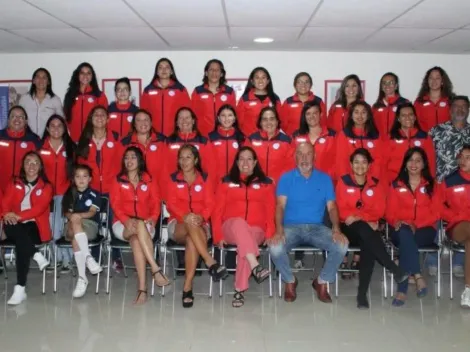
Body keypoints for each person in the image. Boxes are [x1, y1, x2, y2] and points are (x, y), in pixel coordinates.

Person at [269, 142, 349, 303]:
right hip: (291, 227)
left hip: (317, 228)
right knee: (275, 247)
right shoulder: (286, 178)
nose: (304, 158)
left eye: (308, 154)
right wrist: (279, 230)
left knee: (342, 245)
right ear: (295, 157)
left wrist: (336, 228)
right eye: (300, 154)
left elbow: (332, 207)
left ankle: (321, 282)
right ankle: (290, 280)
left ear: (315, 156)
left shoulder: (325, 179)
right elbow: (280, 206)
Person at [336, 148, 408, 309]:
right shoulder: (343, 181)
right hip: (348, 230)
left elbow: (379, 209)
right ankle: (392, 268)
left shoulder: (376, 184)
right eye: (356, 162)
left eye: (363, 162)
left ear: (369, 165)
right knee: (366, 232)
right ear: (351, 164)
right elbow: (341, 209)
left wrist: (360, 217)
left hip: (367, 229)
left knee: (368, 243)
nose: (360, 165)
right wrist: (362, 218)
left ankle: (362, 295)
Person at [166, 144, 227, 307]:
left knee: (192, 239)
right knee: (189, 224)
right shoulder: (172, 178)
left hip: (201, 225)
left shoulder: (205, 178)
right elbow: (170, 204)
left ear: (196, 160)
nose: (184, 161)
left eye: (188, 157)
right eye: (181, 157)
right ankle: (209, 261)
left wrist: (201, 217)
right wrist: (184, 216)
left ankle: (187, 286)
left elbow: (210, 203)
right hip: (177, 224)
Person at [212, 146, 274, 307]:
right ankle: (255, 266)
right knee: (239, 223)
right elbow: (216, 211)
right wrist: (217, 235)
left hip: (256, 229)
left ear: (255, 163)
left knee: (246, 243)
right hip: (229, 228)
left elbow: (270, 210)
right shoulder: (226, 182)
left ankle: (239, 290)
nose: (245, 162)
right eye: (241, 159)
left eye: (249, 159)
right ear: (236, 162)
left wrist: (269, 233)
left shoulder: (266, 183)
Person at [110, 147, 170, 304]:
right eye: (126, 158)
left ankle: (142, 290)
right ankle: (156, 269)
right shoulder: (118, 180)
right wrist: (125, 220)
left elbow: (156, 203)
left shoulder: (149, 179)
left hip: (145, 222)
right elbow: (115, 205)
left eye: (133, 157)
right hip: (122, 224)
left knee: (137, 239)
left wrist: (153, 219)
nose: (129, 161)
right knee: (138, 227)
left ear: (139, 160)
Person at [386, 147, 440, 306]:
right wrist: (398, 221)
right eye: (410, 160)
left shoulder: (432, 185)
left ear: (424, 164)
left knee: (406, 241)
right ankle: (417, 275)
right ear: (405, 163)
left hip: (425, 230)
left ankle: (402, 290)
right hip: (400, 229)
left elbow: (436, 213)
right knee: (404, 233)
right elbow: (389, 212)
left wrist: (416, 224)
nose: (414, 164)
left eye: (418, 160)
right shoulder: (396, 185)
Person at [2, 151, 52, 305]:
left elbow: (39, 209)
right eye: (28, 162)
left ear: (40, 167)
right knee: (17, 232)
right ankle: (36, 255)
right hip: (13, 224)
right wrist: (6, 213)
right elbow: (5, 202)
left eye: (35, 162)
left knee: (22, 239)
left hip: (35, 226)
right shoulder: (14, 182)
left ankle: (20, 289)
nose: (31, 165)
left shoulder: (46, 186)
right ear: (23, 166)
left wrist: (18, 216)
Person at [429, 95, 470, 276]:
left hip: (465, 190)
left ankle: (459, 263)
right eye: (456, 106)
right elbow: (427, 157)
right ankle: (432, 260)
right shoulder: (437, 131)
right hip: (441, 185)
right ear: (450, 109)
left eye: (464, 107)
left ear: (468, 110)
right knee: (433, 217)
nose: (460, 110)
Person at [39, 115, 76, 274]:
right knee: (50, 228)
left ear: (64, 129)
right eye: (52, 125)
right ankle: (59, 259)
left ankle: (65, 260)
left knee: (59, 228)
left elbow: (76, 173)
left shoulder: (71, 148)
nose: (55, 128)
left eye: (59, 125)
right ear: (47, 128)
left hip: (64, 194)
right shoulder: (40, 147)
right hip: (45, 194)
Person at [61, 164, 103, 298]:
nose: (81, 179)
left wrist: (78, 216)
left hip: (89, 225)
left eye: (85, 176)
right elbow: (67, 213)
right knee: (74, 223)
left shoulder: (95, 194)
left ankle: (82, 277)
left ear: (90, 179)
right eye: (78, 176)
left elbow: (91, 213)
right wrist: (73, 217)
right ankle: (88, 257)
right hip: (71, 226)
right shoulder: (68, 194)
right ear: (73, 179)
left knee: (75, 237)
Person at [440, 144, 470, 308]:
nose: (463, 160)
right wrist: (456, 216)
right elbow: (438, 206)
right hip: (456, 226)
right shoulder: (450, 180)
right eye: (461, 157)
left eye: (468, 157)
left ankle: (468, 290)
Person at [384, 102, 436, 184]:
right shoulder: (390, 137)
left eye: (410, 114)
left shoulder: (424, 137)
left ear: (415, 117)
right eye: (403, 115)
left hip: (419, 182)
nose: (407, 117)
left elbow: (431, 162)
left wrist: (430, 181)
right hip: (394, 182)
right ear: (398, 118)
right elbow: (383, 163)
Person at [141, 58, 191, 136]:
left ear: (171, 71)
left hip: (175, 135)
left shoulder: (180, 89)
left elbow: (187, 113)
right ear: (157, 72)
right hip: (153, 135)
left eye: (167, 67)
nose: (164, 70)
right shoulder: (148, 90)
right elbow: (143, 113)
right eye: (160, 67)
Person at [76, 106, 120, 195]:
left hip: (113, 190)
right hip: (89, 190)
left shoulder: (116, 138)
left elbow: (122, 163)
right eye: (96, 115)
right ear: (91, 119)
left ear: (108, 119)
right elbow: (79, 165)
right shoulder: (84, 140)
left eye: (102, 115)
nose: (99, 117)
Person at [335, 101, 383, 180]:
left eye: (363, 112)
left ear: (368, 115)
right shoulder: (344, 134)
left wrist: (373, 179)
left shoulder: (375, 135)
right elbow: (341, 160)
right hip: (349, 180)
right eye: (356, 112)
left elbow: (378, 160)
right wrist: (347, 180)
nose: (360, 116)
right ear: (351, 115)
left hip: (371, 181)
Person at [245, 107, 294, 183]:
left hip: (279, 186)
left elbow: (290, 166)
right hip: (255, 185)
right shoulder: (251, 140)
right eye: (265, 119)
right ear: (260, 122)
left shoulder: (287, 141)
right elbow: (245, 164)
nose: (268, 122)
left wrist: (278, 181)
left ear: (277, 121)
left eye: (272, 119)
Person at [120, 109, 166, 187]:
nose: (143, 123)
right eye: (139, 120)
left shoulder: (163, 141)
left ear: (151, 123)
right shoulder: (125, 143)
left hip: (160, 188)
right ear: (134, 124)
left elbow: (168, 168)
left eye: (146, 120)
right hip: (134, 191)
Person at [63, 62, 108, 142]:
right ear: (77, 75)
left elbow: (105, 118)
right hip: (74, 139)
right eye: (82, 73)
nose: (85, 76)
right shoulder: (70, 95)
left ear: (92, 76)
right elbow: (67, 117)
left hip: (94, 139)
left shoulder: (99, 96)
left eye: (88, 73)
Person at [0, 106, 41, 193]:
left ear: (26, 121)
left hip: (24, 190)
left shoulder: (34, 140)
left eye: (21, 117)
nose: (17, 119)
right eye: (13, 116)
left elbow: (40, 166)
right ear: (8, 120)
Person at [191, 59, 237, 137]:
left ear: (221, 73)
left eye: (217, 70)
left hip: (224, 135)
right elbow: (192, 114)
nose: (214, 73)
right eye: (211, 70)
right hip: (202, 135)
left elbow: (233, 115)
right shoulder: (198, 91)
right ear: (206, 73)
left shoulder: (229, 92)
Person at [164, 107, 213, 178]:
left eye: (187, 117)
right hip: (174, 184)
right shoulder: (169, 142)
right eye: (181, 118)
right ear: (177, 122)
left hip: (199, 185)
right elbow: (164, 167)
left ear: (193, 121)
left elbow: (210, 168)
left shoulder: (203, 142)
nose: (184, 121)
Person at [292, 100, 336, 179]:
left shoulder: (332, 136)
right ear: (304, 117)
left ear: (321, 115)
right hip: (302, 181)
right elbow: (292, 161)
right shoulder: (296, 136)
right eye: (308, 114)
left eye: (315, 113)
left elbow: (337, 161)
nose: (311, 116)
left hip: (326, 182)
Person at [236, 67, 281, 136]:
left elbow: (279, 121)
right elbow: (239, 122)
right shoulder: (244, 99)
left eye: (263, 77)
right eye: (257, 78)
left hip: (270, 141)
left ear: (268, 80)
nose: (260, 81)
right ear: (252, 81)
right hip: (249, 141)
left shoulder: (275, 99)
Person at [19, 67, 64, 136]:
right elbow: (19, 119)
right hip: (28, 139)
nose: (41, 80)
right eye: (38, 77)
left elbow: (61, 121)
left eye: (44, 77)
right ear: (33, 81)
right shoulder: (24, 99)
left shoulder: (55, 100)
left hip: (48, 140)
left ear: (48, 82)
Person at [208, 104, 245, 182]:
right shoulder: (210, 138)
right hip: (216, 181)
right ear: (218, 118)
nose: (226, 118)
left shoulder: (242, 138)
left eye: (230, 115)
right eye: (223, 115)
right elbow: (207, 163)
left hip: (236, 180)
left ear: (234, 118)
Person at [414, 66, 454, 132]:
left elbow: (456, 121)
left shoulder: (451, 100)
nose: (434, 80)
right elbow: (414, 121)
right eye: (431, 78)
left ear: (442, 81)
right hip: (426, 139)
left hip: (447, 139)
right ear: (427, 81)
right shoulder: (419, 101)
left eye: (437, 78)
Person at [372, 72, 409, 138]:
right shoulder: (376, 106)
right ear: (381, 87)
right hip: (380, 143)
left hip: (399, 141)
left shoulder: (404, 103)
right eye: (384, 83)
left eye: (391, 82)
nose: (387, 85)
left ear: (396, 86)